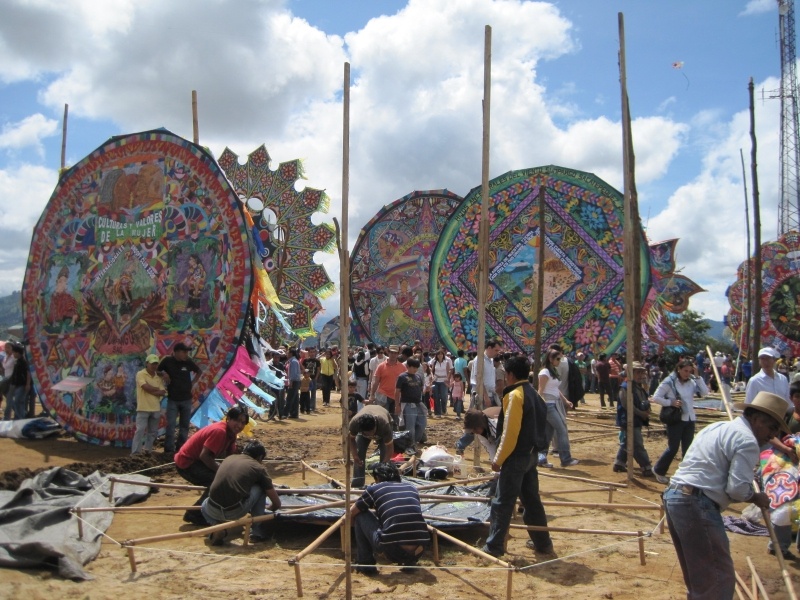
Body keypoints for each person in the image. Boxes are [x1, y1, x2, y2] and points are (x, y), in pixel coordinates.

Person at [663, 391, 786, 599]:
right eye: (772, 428)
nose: (772, 436)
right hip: (695, 502)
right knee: (717, 580)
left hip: (676, 497)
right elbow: (737, 489)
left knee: (701, 578)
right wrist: (756, 497)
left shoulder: (717, 427)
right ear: (756, 419)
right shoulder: (747, 441)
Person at [480, 355, 553, 558]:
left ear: (510, 375)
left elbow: (510, 433)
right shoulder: (536, 395)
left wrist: (498, 459)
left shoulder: (516, 396)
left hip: (516, 456)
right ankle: (543, 543)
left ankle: (494, 546)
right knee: (531, 501)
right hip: (532, 455)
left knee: (502, 501)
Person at [349, 462, 430, 574]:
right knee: (405, 522)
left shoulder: (374, 488)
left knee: (361, 515)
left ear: (377, 478)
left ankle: (365, 564)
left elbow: (351, 513)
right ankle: (410, 563)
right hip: (419, 549)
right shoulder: (411, 488)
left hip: (392, 550)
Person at [174, 405, 249, 525]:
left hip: (198, 462)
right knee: (218, 483)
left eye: (243, 423)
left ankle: (214, 509)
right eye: (237, 421)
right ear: (228, 418)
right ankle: (194, 513)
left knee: (226, 479)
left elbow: (230, 457)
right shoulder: (220, 432)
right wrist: (221, 471)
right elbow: (204, 456)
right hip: (187, 463)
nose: (239, 426)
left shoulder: (231, 434)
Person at [201, 440, 282, 545]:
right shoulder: (258, 468)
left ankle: (217, 527)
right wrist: (268, 510)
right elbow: (277, 503)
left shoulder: (228, 458)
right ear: (259, 457)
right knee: (261, 487)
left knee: (204, 505)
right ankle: (257, 532)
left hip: (211, 509)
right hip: (235, 511)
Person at [651, 358, 709, 484]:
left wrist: (698, 376)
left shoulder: (692, 382)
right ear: (678, 369)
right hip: (676, 418)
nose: (687, 373)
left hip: (689, 418)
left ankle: (685, 475)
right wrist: (670, 402)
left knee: (688, 448)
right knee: (673, 447)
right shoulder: (669, 382)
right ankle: (658, 470)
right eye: (685, 371)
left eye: (690, 371)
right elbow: (656, 397)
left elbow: (705, 393)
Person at [537, 349, 579, 468]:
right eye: (558, 359)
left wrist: (565, 401)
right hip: (548, 405)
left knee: (548, 433)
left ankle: (542, 458)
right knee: (561, 429)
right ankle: (565, 458)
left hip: (554, 403)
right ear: (551, 359)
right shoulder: (545, 372)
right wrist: (540, 405)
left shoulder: (552, 371)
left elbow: (555, 389)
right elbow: (540, 390)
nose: (560, 361)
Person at [158, 342, 201, 454]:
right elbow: (157, 370)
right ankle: (168, 450)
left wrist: (193, 382)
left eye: (187, 352)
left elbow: (198, 371)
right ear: (176, 352)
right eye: (184, 352)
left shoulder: (188, 361)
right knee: (171, 426)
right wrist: (164, 374)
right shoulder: (167, 360)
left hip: (186, 399)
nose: (186, 354)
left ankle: (180, 449)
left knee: (184, 426)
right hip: (173, 399)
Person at [612, 362, 653, 477]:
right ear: (631, 373)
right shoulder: (625, 387)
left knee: (627, 442)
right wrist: (641, 413)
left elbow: (644, 400)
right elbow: (627, 405)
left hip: (638, 419)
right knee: (637, 444)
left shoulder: (638, 387)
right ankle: (646, 466)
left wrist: (646, 410)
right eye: (637, 372)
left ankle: (619, 463)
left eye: (642, 372)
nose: (640, 375)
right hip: (628, 419)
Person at [348, 405, 395, 487]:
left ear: (375, 426)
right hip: (364, 428)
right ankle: (357, 484)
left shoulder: (384, 425)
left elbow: (390, 449)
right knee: (359, 455)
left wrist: (383, 464)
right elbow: (351, 440)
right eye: (366, 433)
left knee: (384, 460)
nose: (370, 435)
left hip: (383, 427)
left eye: (371, 432)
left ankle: (383, 483)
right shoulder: (354, 423)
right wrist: (355, 456)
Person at [131, 354, 167, 454]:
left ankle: (147, 450)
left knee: (152, 432)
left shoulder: (158, 377)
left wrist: (150, 389)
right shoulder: (140, 374)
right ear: (147, 363)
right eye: (152, 364)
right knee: (140, 430)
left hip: (155, 408)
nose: (154, 366)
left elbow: (163, 392)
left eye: (156, 364)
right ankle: (135, 453)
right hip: (143, 407)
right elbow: (145, 387)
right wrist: (155, 389)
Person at [395, 357, 426, 454]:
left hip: (418, 403)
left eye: (416, 367)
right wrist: (397, 405)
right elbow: (397, 392)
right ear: (408, 366)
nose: (415, 369)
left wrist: (427, 389)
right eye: (413, 367)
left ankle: (413, 443)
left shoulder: (418, 377)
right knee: (410, 427)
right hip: (408, 404)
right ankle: (410, 445)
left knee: (422, 424)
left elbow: (421, 390)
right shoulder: (402, 377)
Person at [370, 345, 406, 417]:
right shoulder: (381, 366)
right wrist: (372, 394)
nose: (393, 355)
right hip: (383, 396)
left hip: (397, 398)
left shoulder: (403, 368)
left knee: (395, 419)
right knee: (383, 418)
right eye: (391, 352)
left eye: (395, 353)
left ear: (398, 354)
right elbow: (376, 382)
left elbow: (405, 384)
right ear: (388, 352)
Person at [469, 339, 502, 410]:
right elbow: (478, 379)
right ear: (489, 348)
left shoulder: (491, 360)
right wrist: (485, 396)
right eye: (496, 350)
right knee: (481, 419)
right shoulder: (480, 360)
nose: (497, 353)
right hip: (481, 396)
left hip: (491, 395)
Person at [7, 344, 29, 420]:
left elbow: (28, 373)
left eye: (14, 352)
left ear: (18, 353)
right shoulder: (17, 362)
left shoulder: (23, 362)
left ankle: (20, 417)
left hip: (22, 384)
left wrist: (27, 384)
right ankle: (19, 416)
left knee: (19, 401)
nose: (13, 354)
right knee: (17, 401)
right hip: (17, 384)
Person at [429, 349, 452, 417]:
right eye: (438, 354)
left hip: (443, 380)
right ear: (436, 355)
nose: (440, 355)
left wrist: (447, 378)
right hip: (436, 380)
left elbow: (450, 370)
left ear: (443, 355)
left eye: (441, 354)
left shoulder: (446, 362)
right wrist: (433, 377)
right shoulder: (435, 362)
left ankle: (444, 410)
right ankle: (437, 412)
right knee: (436, 396)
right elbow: (431, 370)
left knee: (443, 396)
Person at [301, 347, 320, 411]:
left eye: (313, 352)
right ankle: (305, 406)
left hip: (313, 378)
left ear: (315, 353)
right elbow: (303, 369)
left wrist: (316, 377)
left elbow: (318, 370)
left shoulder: (317, 361)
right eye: (311, 352)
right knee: (305, 393)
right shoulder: (305, 361)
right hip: (306, 379)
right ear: (308, 353)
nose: (312, 353)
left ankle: (312, 407)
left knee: (313, 393)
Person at [285, 348, 301, 419]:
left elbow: (293, 374)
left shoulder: (293, 362)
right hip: (295, 381)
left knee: (290, 398)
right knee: (295, 399)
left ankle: (285, 413)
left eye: (287, 353)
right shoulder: (293, 361)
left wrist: (290, 382)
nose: (286, 354)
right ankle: (294, 413)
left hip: (294, 381)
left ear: (291, 354)